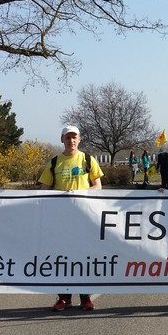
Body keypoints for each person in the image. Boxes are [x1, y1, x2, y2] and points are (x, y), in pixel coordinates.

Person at [38, 125, 104, 312]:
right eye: (67, 137)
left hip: (84, 218)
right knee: (62, 258)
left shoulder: (88, 159)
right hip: (61, 220)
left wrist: (80, 193)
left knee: (83, 257)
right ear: (62, 140)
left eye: (74, 137)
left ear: (79, 139)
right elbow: (44, 190)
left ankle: (85, 297)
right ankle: (64, 298)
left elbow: (98, 186)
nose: (71, 141)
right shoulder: (54, 162)